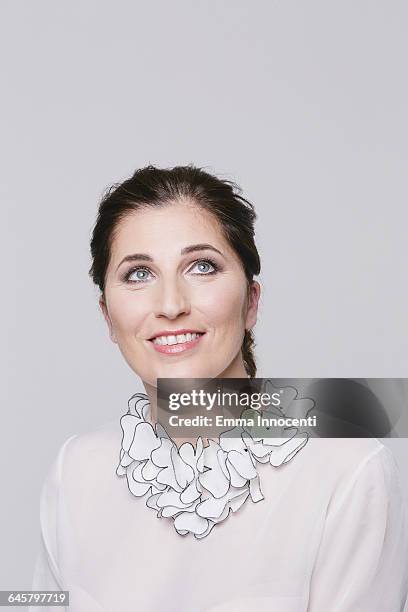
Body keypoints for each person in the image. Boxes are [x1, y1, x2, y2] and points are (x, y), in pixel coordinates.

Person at [30, 165, 408, 611]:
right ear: (107, 316)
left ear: (251, 301)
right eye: (138, 274)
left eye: (202, 266)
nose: (171, 305)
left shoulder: (348, 471)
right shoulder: (76, 468)